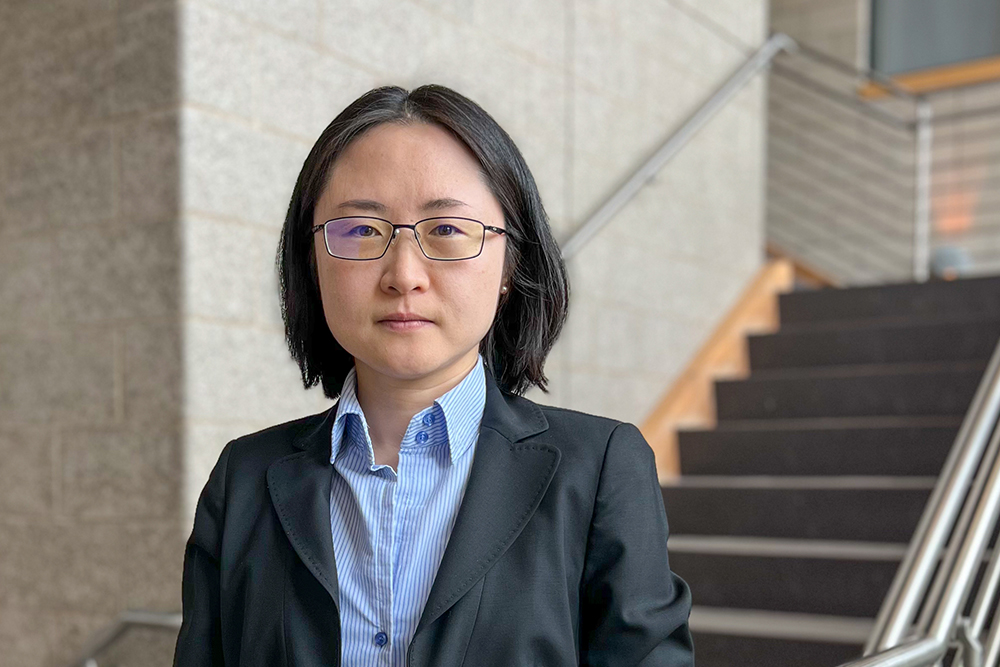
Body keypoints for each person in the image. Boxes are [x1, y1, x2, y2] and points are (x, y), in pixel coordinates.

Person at [173, 84, 693, 666]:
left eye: (446, 229)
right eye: (361, 231)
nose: (404, 275)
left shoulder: (599, 469)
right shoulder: (243, 478)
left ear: (509, 262)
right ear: (312, 260)